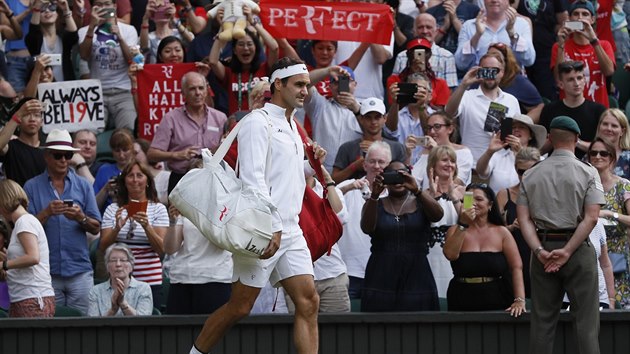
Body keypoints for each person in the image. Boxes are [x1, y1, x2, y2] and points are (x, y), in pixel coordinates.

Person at [189, 57, 325, 354]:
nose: (306, 91)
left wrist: (312, 165)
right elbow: (253, 180)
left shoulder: (292, 124)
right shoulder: (255, 122)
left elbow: (285, 174)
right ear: (278, 84)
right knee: (240, 307)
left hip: (291, 230)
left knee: (308, 301)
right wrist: (273, 226)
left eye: (307, 85)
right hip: (263, 230)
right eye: (299, 85)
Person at [517, 116, 604, 354]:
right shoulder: (589, 172)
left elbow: (523, 219)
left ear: (550, 139)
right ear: (576, 139)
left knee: (542, 324)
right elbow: (592, 217)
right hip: (577, 249)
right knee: (587, 325)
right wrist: (567, 251)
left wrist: (539, 251)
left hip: (543, 247)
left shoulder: (531, 174)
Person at [24, 129, 102, 315]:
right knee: (50, 329)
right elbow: (25, 229)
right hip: (46, 273)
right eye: (58, 155)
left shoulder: (83, 185)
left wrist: (80, 217)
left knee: (84, 328)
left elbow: (97, 226)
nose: (63, 160)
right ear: (47, 156)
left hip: (79, 270)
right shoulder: (32, 186)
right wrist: (46, 213)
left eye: (67, 155)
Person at [360, 160, 444, 311]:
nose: (398, 180)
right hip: (381, 273)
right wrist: (374, 195)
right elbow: (366, 228)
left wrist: (417, 190)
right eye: (392, 175)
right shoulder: (375, 203)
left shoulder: (420, 202)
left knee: (420, 325)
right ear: (384, 178)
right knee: (379, 326)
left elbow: (438, 215)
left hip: (417, 272)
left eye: (402, 175)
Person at [443, 182, 525, 315]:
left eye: (479, 199)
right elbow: (450, 255)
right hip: (461, 297)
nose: (474, 203)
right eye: (469, 199)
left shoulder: (501, 232)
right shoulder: (455, 230)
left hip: (497, 296)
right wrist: (463, 224)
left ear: (490, 205)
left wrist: (519, 300)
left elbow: (516, 267)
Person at [164, 160, 232, 315]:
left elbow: (223, 242)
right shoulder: (183, 204)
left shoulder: (226, 206)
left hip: (215, 279)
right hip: (182, 277)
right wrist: (173, 221)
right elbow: (170, 248)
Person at [99, 160, 169, 310]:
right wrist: (117, 229)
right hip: (119, 280)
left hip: (150, 280)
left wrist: (147, 227)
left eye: (140, 175)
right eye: (130, 176)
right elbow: (103, 246)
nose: (135, 180)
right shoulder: (113, 209)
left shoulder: (158, 209)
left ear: (148, 181)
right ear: (124, 181)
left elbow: (162, 250)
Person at [148, 71, 227, 194]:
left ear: (206, 91)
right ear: (183, 93)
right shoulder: (171, 118)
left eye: (201, 88)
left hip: (213, 179)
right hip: (181, 179)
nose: (197, 93)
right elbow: (152, 154)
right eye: (192, 89)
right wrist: (177, 155)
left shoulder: (220, 118)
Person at [336, 141, 392, 300]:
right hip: (350, 270)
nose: (376, 166)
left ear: (388, 165)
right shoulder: (349, 185)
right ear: (365, 165)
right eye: (372, 161)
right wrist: (349, 188)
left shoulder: (394, 193)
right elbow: (324, 201)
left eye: (381, 162)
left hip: (381, 272)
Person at [445, 53, 521, 166]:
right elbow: (448, 113)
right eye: (486, 69)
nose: (490, 74)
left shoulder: (511, 100)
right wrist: (464, 84)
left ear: (502, 73)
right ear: (479, 71)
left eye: (495, 70)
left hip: (501, 166)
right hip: (472, 165)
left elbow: (517, 132)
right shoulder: (466, 96)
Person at [78, 0, 138, 130]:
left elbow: (132, 61)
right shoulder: (84, 31)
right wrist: (91, 28)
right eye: (99, 5)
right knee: (87, 131)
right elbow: (84, 55)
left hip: (123, 92)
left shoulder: (129, 30)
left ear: (115, 7)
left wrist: (119, 37)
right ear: (93, 8)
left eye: (107, 4)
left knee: (129, 129)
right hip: (96, 93)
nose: (103, 8)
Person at [207, 8, 278, 115]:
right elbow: (213, 61)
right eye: (241, 44)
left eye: (249, 44)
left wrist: (253, 22)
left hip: (261, 122)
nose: (245, 48)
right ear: (234, 50)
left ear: (256, 48)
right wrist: (224, 27)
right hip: (237, 124)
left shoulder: (265, 69)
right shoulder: (230, 73)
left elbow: (274, 48)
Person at [0, 179, 55, 318]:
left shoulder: (25, 221)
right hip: (23, 297)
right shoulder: (21, 222)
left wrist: (4, 264)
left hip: (33, 298)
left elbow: (33, 257)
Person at [586, 137, 630, 309]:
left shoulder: (623, 186)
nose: (598, 156)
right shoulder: (583, 186)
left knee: (621, 309)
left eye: (603, 153)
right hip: (591, 257)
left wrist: (611, 214)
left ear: (612, 157)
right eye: (593, 153)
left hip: (618, 258)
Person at [551, 0, 615, 108]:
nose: (580, 18)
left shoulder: (604, 45)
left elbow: (609, 71)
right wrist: (562, 44)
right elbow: (558, 79)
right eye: (576, 14)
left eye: (585, 14)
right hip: (569, 108)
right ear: (570, 19)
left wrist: (594, 41)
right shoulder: (558, 46)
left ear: (593, 19)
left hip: (598, 108)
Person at [496, 147, 540, 298]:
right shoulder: (504, 194)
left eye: (531, 171)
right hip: (512, 256)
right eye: (522, 172)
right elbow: (494, 231)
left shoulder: (546, 195)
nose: (526, 177)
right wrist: (511, 227)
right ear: (515, 169)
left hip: (539, 257)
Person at [539, 60, 606, 159]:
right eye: (570, 79)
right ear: (561, 84)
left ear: (585, 80)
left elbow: (604, 150)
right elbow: (539, 150)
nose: (576, 83)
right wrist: (554, 139)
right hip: (557, 165)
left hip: (589, 166)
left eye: (579, 78)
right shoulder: (549, 109)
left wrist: (572, 140)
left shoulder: (598, 110)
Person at [332, 97, 407, 184]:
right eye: (368, 117)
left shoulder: (397, 147)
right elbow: (333, 180)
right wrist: (354, 166)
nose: (373, 122)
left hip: (387, 195)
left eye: (377, 117)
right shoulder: (347, 148)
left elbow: (404, 178)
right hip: (355, 195)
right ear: (361, 119)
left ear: (385, 118)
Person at [303, 66, 363, 172]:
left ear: (355, 85)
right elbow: (304, 83)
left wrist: (357, 110)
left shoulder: (364, 110)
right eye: (336, 82)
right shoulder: (320, 105)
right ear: (329, 86)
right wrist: (327, 71)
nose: (340, 85)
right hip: (321, 171)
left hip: (352, 174)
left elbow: (375, 133)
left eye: (345, 81)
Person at [424, 145, 465, 298]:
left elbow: (469, 220)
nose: (449, 164)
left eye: (453, 161)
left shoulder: (466, 192)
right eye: (444, 160)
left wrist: (454, 197)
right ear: (433, 165)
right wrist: (433, 197)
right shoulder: (423, 195)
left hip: (456, 253)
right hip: (431, 255)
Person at [454, 0, 535, 72]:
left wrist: (512, 34)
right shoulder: (469, 26)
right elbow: (461, 64)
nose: (494, 0)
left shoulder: (521, 24)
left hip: (512, 82)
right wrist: (477, 35)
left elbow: (529, 60)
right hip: (480, 81)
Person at [475, 114, 547, 193]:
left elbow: (538, 183)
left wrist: (521, 153)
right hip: (498, 203)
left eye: (521, 127)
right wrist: (489, 151)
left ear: (531, 136)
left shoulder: (539, 160)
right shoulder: (499, 155)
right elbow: (481, 172)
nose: (516, 130)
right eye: (513, 127)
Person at [515, 0, 567, 100]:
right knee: (522, 93)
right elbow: (511, 10)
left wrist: (559, 33)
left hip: (546, 51)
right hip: (522, 51)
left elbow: (563, 22)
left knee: (546, 92)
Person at [392, 13, 459, 88]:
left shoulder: (447, 56)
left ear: (436, 31)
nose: (424, 31)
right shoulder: (402, 56)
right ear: (413, 31)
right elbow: (394, 86)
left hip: (437, 98)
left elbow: (450, 89)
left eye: (429, 27)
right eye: (420, 27)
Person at [88, 243, 153, 316]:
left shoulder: (143, 288)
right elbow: (94, 324)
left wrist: (123, 304)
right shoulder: (96, 291)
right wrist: (113, 310)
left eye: (123, 260)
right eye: (113, 260)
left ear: (131, 266)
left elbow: (144, 322)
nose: (118, 264)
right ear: (107, 267)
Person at [412, 111, 473, 189]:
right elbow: (414, 182)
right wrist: (408, 154)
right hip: (428, 198)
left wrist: (436, 150)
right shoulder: (426, 152)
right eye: (429, 128)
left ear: (450, 129)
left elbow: (456, 182)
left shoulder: (463, 153)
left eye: (437, 126)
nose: (432, 131)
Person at [386, 37, 451, 109]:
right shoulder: (395, 81)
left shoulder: (440, 84)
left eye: (423, 52)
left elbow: (440, 114)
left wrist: (424, 101)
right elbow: (393, 110)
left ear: (429, 55)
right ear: (408, 54)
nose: (417, 56)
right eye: (414, 52)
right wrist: (412, 78)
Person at [486, 42, 543, 122]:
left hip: (506, 130)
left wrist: (520, 124)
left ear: (505, 63)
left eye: (496, 57)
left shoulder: (519, 82)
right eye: (488, 55)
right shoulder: (478, 83)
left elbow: (539, 107)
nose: (492, 60)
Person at [386, 72, 433, 165]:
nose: (417, 92)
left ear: (430, 95)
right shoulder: (396, 114)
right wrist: (395, 102)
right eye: (413, 88)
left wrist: (421, 106)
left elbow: (430, 132)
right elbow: (390, 130)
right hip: (401, 166)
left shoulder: (436, 117)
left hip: (428, 167)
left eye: (422, 89)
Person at [25, 0, 78, 82]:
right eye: (43, 9)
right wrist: (36, 8)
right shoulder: (34, 39)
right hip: (42, 88)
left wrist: (65, 10)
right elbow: (33, 32)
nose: (47, 11)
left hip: (65, 87)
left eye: (52, 8)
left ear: (57, 14)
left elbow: (73, 35)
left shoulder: (63, 37)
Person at [0, 97, 46, 186]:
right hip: (19, 199)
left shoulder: (49, 150)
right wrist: (17, 115)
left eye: (37, 115)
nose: (32, 119)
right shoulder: (10, 148)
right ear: (19, 119)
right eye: (26, 115)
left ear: (42, 121)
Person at [93, 128, 134, 214]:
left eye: (125, 150)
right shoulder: (104, 170)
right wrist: (105, 189)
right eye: (117, 151)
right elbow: (93, 206)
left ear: (132, 148)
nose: (121, 155)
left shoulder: (139, 170)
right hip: (109, 218)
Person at [596, 108, 630, 180]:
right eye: (605, 124)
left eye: (614, 126)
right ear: (599, 127)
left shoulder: (628, 158)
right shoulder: (590, 155)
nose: (609, 128)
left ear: (622, 131)